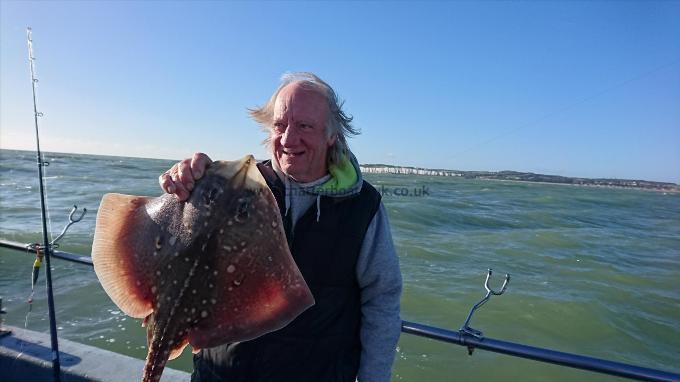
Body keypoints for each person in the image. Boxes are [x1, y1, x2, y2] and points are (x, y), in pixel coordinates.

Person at [159, 72, 402, 382]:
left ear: (331, 135)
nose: (288, 139)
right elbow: (175, 248)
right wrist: (187, 183)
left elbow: (382, 298)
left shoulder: (362, 206)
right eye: (279, 125)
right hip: (221, 372)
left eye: (304, 126)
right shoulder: (234, 188)